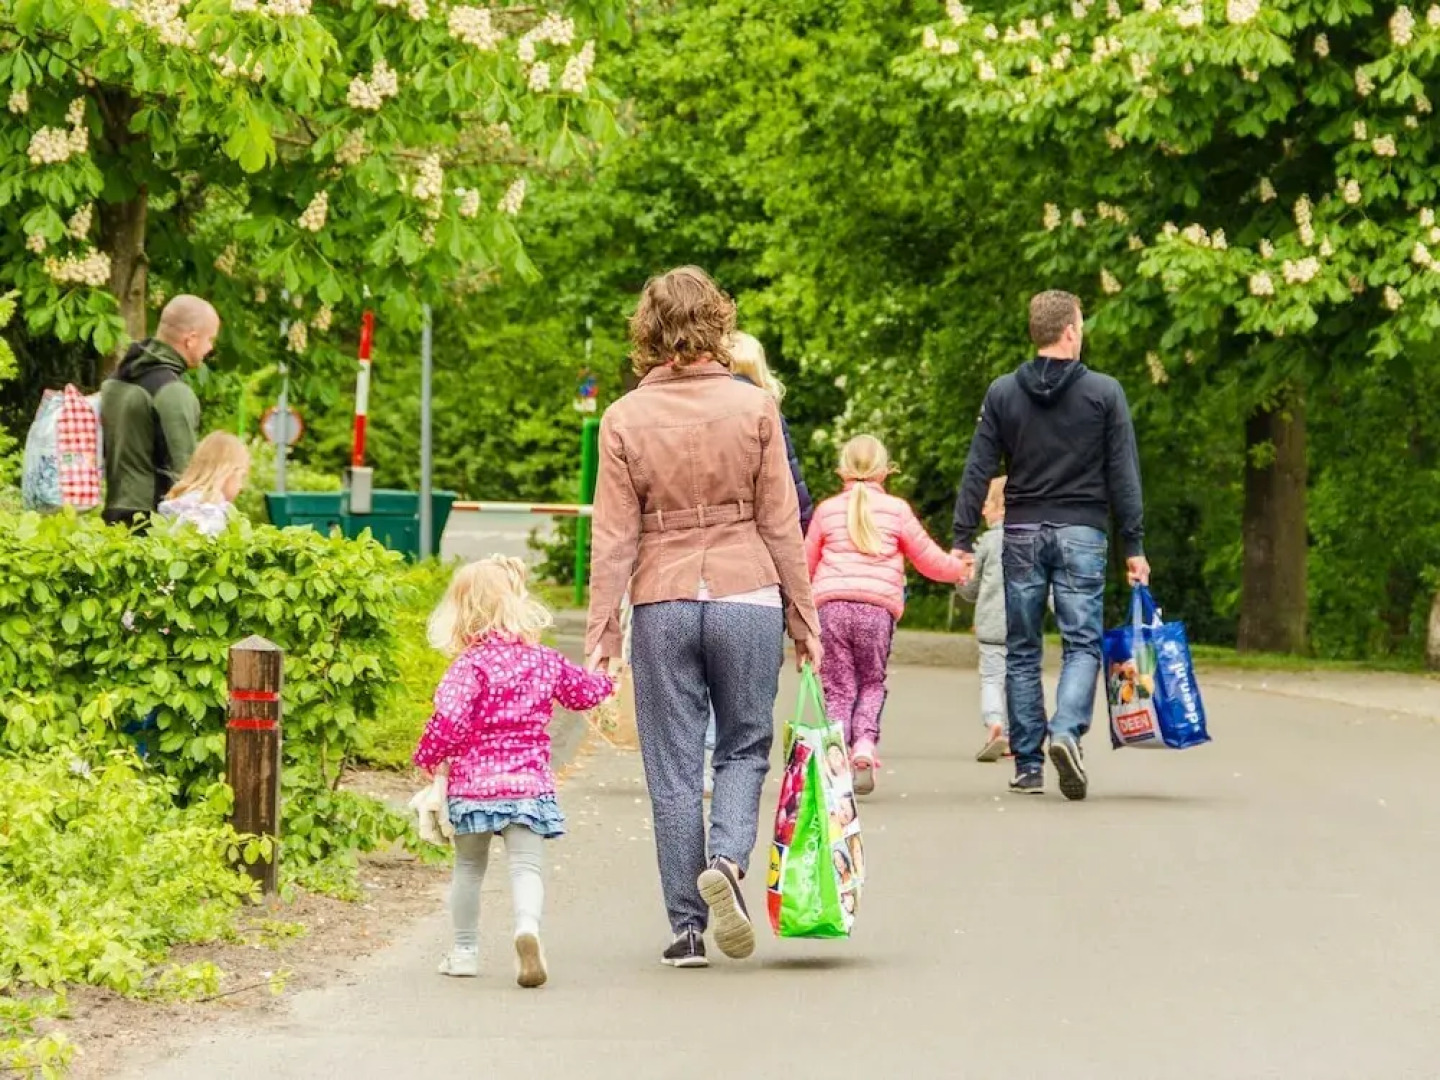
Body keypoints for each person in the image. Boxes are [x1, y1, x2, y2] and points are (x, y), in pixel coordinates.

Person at [586, 266, 822, 970]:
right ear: (717, 321)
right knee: (745, 745)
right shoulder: (755, 409)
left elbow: (613, 538)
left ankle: (688, 929)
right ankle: (727, 858)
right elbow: (783, 524)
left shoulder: (623, 418)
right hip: (748, 590)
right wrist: (806, 623)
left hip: (662, 599)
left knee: (672, 768)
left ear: (648, 331)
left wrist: (601, 634)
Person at [952, 290, 1150, 801]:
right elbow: (1123, 473)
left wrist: (960, 538)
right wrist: (1133, 545)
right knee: (1081, 642)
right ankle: (1065, 731)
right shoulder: (1104, 393)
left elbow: (979, 467)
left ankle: (1029, 767)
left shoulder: (1002, 394)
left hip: (1019, 531)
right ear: (1069, 332)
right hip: (1082, 531)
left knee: (1021, 648)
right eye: (1080, 325)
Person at [414, 556, 615, 987]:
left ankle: (465, 951)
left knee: (468, 870)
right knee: (527, 867)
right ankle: (528, 929)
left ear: (462, 613)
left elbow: (448, 721)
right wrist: (605, 674)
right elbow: (583, 695)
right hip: (527, 784)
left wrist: (428, 759)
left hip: (472, 786)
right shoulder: (543, 660)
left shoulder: (468, 667)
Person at [806, 434, 967, 795]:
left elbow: (805, 564)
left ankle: (836, 763)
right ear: (885, 470)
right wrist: (959, 569)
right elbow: (928, 558)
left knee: (838, 689)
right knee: (872, 682)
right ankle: (864, 745)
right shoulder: (896, 511)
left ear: (841, 469)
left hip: (831, 608)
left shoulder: (827, 511)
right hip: (876, 611)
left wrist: (796, 611)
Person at [702, 330, 812, 797]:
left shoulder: (696, 411)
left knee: (700, 673)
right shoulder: (766, 412)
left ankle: (707, 755)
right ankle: (734, 764)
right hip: (755, 572)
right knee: (745, 687)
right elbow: (793, 501)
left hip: (689, 569)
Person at [101, 295, 221, 529]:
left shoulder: (117, 380)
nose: (211, 348)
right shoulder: (172, 392)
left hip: (114, 513)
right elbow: (186, 471)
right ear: (191, 339)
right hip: (151, 521)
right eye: (210, 339)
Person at [958, 476, 1010, 762]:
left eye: (987, 504)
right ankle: (1019, 733)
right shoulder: (1035, 540)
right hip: (1022, 626)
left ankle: (995, 723)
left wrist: (960, 574)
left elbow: (970, 590)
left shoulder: (988, 543)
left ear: (1001, 508)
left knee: (992, 678)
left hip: (991, 626)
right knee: (1020, 679)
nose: (982, 510)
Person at [156, 432, 250, 537]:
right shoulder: (211, 510)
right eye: (242, 476)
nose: (241, 486)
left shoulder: (180, 502)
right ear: (227, 472)